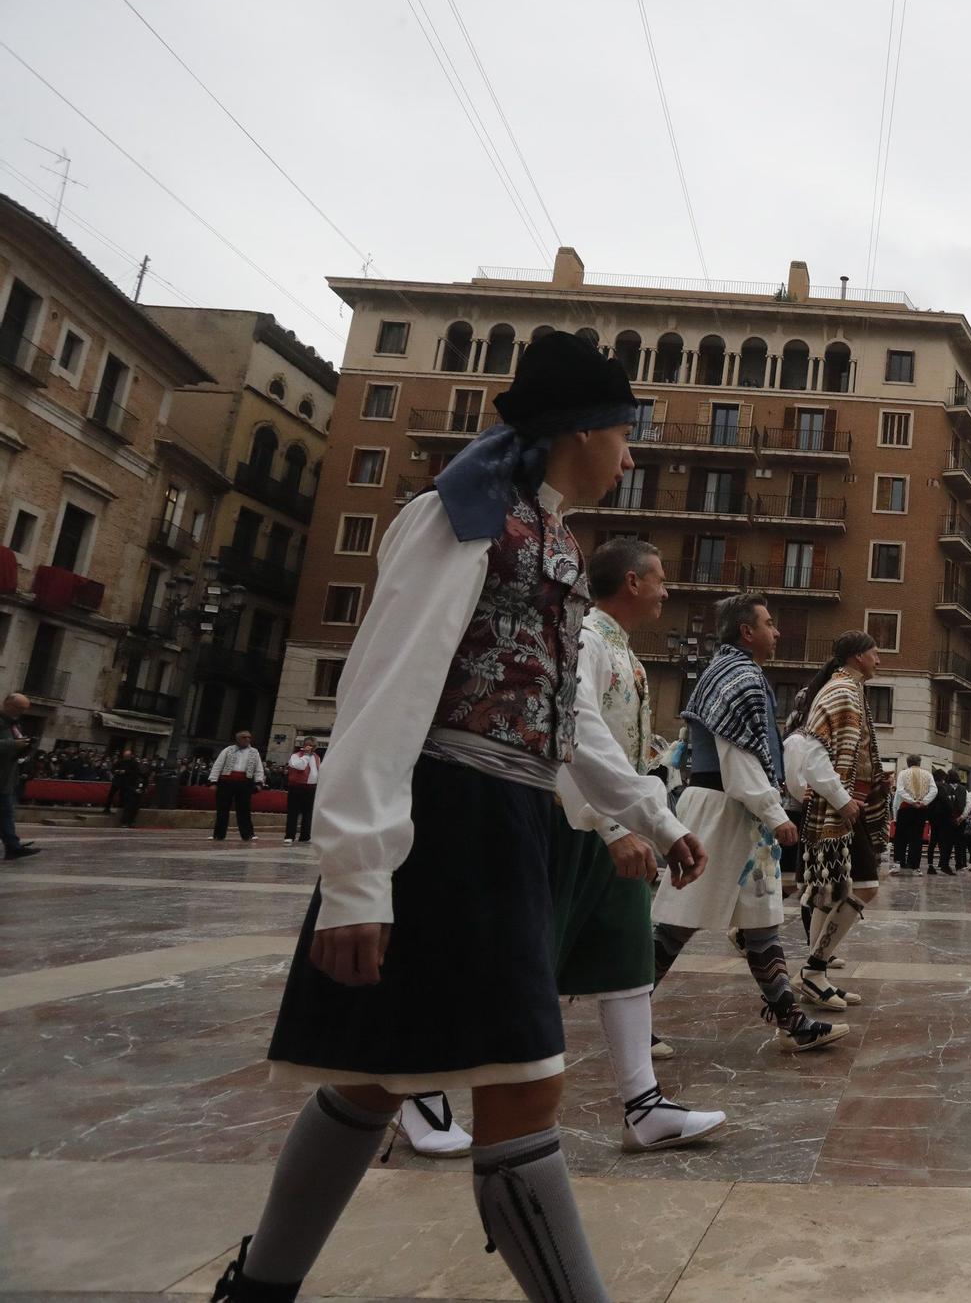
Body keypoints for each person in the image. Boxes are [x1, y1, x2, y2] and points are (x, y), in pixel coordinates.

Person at [217, 330, 708, 1303]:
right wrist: (356, 873)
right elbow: (387, 681)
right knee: (521, 1081)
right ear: (584, 429)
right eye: (625, 431)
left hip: (508, 824)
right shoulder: (464, 516)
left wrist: (647, 813)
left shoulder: (550, 539)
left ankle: (257, 1289)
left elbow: (559, 715)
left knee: (376, 1074)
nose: (631, 452)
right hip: (451, 824)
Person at [548, 538, 726, 1153]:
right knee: (525, 966)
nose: (667, 590)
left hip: (612, 830)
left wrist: (654, 827)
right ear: (631, 581)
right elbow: (575, 737)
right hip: (574, 832)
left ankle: (644, 1107)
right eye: (660, 579)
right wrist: (618, 827)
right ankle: (418, 1092)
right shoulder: (586, 641)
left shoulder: (623, 651)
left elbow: (621, 751)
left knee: (627, 961)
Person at [653, 593, 850, 1047]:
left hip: (737, 812)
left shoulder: (731, 671)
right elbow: (737, 759)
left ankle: (793, 1023)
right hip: (723, 810)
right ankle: (627, 1021)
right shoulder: (739, 676)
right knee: (677, 924)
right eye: (768, 623)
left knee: (760, 923)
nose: (776, 631)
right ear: (747, 631)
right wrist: (775, 812)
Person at [793, 630, 891, 1010]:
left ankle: (817, 976)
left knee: (826, 894)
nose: (879, 660)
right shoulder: (840, 692)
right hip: (840, 808)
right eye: (875, 652)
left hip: (849, 806)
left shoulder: (851, 690)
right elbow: (814, 755)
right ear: (856, 656)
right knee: (864, 887)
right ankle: (814, 971)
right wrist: (843, 798)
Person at [209, 730, 265, 842]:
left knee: (244, 809)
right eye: (244, 737)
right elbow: (218, 765)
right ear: (238, 739)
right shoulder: (228, 750)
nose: (247, 739)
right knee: (222, 809)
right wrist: (213, 781)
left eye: (249, 737)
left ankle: (248, 834)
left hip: (245, 783)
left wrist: (259, 782)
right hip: (226, 782)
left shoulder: (254, 752)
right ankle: (219, 834)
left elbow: (259, 768)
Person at [1, 694, 38, 859]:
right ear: (7, 703)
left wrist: (26, 747)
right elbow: (10, 745)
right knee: (6, 813)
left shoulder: (13, 725)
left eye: (24, 709)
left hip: (7, 777)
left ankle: (13, 846)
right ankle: (13, 846)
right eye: (19, 708)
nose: (21, 712)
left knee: (6, 813)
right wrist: (13, 744)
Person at [891, 754, 936, 873]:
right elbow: (934, 790)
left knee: (901, 837)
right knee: (917, 838)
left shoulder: (903, 773)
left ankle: (898, 863)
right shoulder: (928, 774)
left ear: (908, 763)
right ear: (919, 763)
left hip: (906, 808)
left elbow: (900, 790)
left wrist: (912, 801)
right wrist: (923, 802)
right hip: (921, 809)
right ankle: (915, 865)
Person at [927, 767, 966, 875]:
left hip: (936, 818)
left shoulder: (936, 787)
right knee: (944, 842)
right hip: (943, 819)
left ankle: (934, 865)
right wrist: (955, 815)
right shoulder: (941, 787)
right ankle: (944, 865)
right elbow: (947, 801)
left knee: (935, 842)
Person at [283, 739, 320, 845]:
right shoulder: (296, 756)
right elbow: (300, 766)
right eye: (308, 745)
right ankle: (290, 835)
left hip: (311, 788)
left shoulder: (317, 757)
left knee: (308, 813)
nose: (310, 747)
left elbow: (317, 771)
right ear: (304, 746)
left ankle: (305, 836)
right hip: (297, 787)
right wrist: (306, 756)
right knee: (293, 812)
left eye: (313, 745)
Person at [109, 749, 147, 828]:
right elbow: (128, 784)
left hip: (138, 793)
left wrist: (142, 789)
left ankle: (131, 821)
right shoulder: (132, 775)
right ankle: (125, 822)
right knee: (128, 808)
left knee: (135, 809)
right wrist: (134, 789)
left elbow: (145, 784)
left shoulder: (143, 777)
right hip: (131, 792)